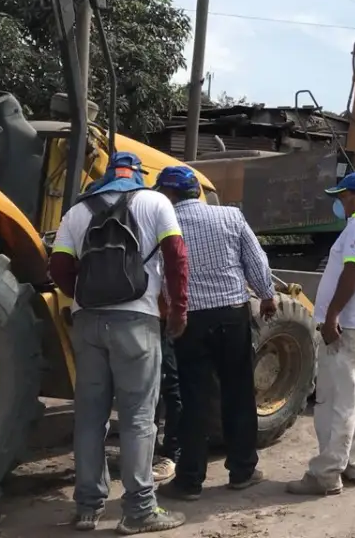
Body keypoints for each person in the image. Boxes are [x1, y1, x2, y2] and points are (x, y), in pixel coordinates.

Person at [48, 151, 189, 534]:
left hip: (88, 322)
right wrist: (178, 310)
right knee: (138, 417)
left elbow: (58, 267)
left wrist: (85, 295)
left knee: (90, 418)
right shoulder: (155, 201)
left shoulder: (77, 212)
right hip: (137, 321)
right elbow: (176, 257)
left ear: (107, 176)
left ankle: (87, 508)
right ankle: (139, 509)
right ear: (140, 176)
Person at [152, 165, 277, 502]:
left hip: (188, 320)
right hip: (232, 316)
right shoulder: (230, 217)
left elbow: (155, 273)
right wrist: (267, 294)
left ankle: (190, 480)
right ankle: (242, 471)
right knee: (238, 393)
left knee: (194, 399)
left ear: (169, 193)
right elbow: (256, 260)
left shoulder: (162, 223)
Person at [286, 171, 355, 496]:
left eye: (344, 196)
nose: (340, 202)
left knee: (337, 401)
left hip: (350, 328)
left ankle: (326, 473)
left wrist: (332, 314)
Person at [152, 311, 182, 485]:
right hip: (141, 317)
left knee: (170, 384)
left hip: (163, 319)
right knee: (149, 388)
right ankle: (150, 451)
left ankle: (172, 454)